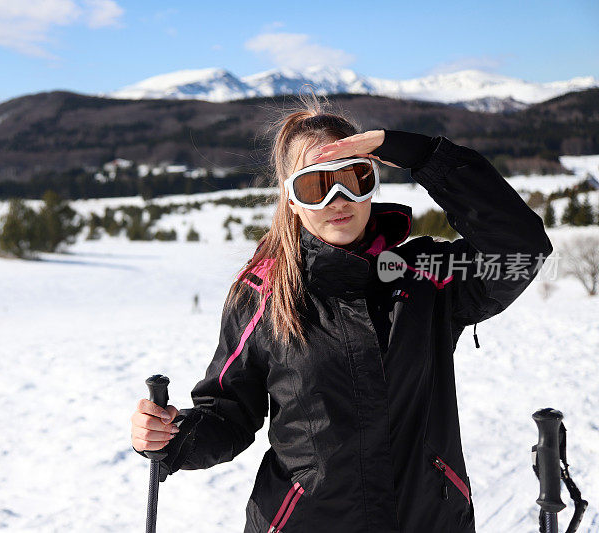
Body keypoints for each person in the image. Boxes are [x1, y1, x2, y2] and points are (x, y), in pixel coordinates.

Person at [129, 94, 553, 532]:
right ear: (291, 200)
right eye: (315, 185)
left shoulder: (425, 277)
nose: (337, 199)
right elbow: (228, 410)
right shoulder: (262, 295)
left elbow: (520, 249)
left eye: (354, 177)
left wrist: (424, 156)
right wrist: (174, 436)